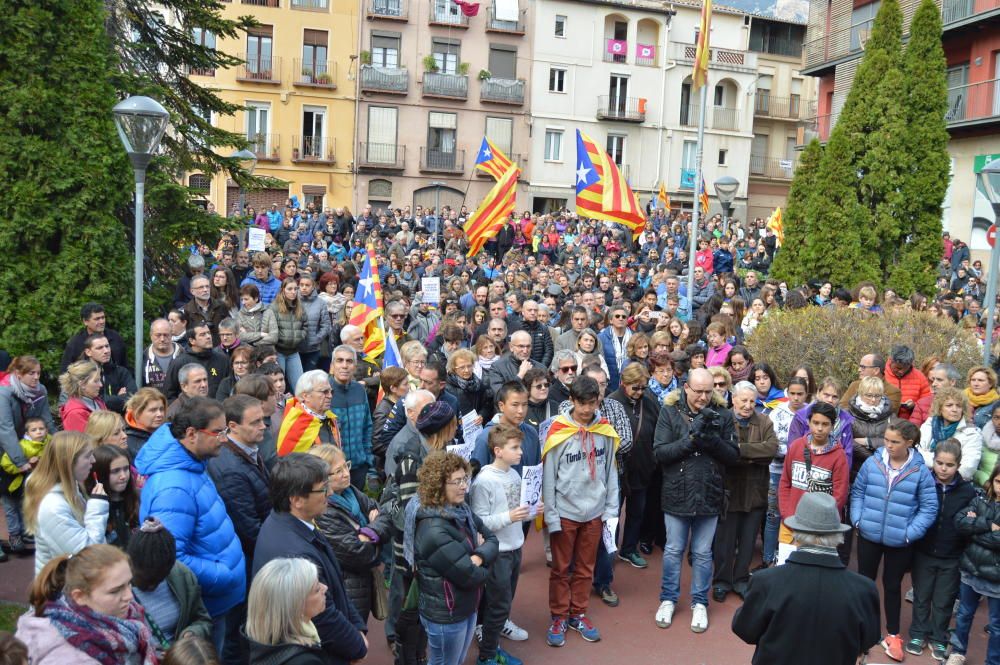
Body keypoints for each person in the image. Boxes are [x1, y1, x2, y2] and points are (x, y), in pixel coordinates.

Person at [136, 397, 246, 653]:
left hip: (217, 598)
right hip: (207, 603)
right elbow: (173, 557)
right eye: (218, 432)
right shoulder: (173, 488)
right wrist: (224, 574)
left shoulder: (192, 464)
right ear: (191, 434)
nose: (225, 439)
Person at [731, 492, 881, 665]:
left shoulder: (766, 582)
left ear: (796, 532)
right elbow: (868, 640)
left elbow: (745, 630)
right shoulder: (864, 589)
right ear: (838, 536)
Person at [252, 453, 368, 664]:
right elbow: (322, 616)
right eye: (323, 489)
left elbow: (335, 589)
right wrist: (357, 645)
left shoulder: (293, 524)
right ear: (296, 500)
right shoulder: (295, 555)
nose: (330, 493)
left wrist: (358, 627)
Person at [653, 367, 739, 633]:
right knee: (673, 550)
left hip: (709, 492)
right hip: (677, 492)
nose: (703, 397)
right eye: (698, 391)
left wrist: (711, 440)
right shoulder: (669, 412)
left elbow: (733, 456)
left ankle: (699, 602)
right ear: (686, 388)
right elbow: (660, 453)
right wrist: (692, 440)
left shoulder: (723, 415)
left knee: (702, 553)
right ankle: (668, 599)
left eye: (708, 391)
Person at [850, 418, 938, 662]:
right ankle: (863, 629)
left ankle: (893, 633)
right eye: (886, 440)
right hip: (869, 534)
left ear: (909, 443)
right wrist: (858, 519)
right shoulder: (873, 462)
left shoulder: (920, 471)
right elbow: (857, 491)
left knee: (892, 585)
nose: (888, 445)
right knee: (865, 582)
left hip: (900, 540)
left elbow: (929, 507)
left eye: (895, 442)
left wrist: (910, 533)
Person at [543, 375, 620, 646]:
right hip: (565, 512)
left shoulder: (605, 431)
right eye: (582, 403)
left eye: (592, 403)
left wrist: (611, 510)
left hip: (595, 512)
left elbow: (611, 471)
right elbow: (549, 477)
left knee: (586, 568)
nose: (587, 409)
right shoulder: (558, 431)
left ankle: (578, 613)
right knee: (561, 568)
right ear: (571, 401)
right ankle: (558, 616)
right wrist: (551, 516)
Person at [407, 451, 499, 665]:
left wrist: (477, 557)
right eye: (457, 481)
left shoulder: (461, 509)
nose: (464, 487)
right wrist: (482, 556)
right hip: (445, 614)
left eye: (465, 479)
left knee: (455, 661)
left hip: (465, 605)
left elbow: (493, 539)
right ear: (438, 485)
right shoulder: (433, 529)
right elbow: (471, 576)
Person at [16, 544, 159, 665]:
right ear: (79, 596)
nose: (129, 596)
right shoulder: (72, 658)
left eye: (129, 584)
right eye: (115, 591)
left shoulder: (122, 616)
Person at [470, 425, 538, 665]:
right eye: (515, 448)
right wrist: (511, 516)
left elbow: (519, 512)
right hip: (497, 553)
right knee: (498, 605)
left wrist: (532, 511)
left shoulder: (514, 474)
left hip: (515, 547)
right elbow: (480, 521)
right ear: (498, 451)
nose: (521, 452)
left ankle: (493, 636)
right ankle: (487, 654)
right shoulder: (484, 481)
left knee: (504, 601)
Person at [906, 439, 975, 661]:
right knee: (922, 595)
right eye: (939, 463)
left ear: (958, 465)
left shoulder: (968, 492)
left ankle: (938, 636)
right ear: (933, 461)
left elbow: (971, 523)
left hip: (953, 556)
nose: (943, 469)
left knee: (944, 600)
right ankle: (917, 633)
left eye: (949, 465)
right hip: (923, 552)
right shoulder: (923, 483)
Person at [310, 444, 391, 624]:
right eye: (338, 471)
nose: (346, 473)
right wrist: (376, 531)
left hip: (362, 583)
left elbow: (385, 515)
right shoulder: (324, 511)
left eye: (346, 465)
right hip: (347, 587)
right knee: (352, 636)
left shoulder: (350, 491)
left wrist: (368, 532)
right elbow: (359, 553)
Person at [712, 381, 777, 602]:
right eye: (744, 400)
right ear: (733, 399)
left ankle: (740, 580)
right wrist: (750, 455)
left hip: (755, 491)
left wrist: (739, 451)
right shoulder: (722, 420)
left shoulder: (765, 421)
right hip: (728, 491)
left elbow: (770, 450)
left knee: (748, 542)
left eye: (752, 400)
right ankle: (721, 581)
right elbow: (721, 452)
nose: (748, 405)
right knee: (725, 542)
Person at [23, 432, 108, 574]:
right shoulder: (52, 506)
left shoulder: (70, 487)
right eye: (87, 456)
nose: (93, 460)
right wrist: (97, 507)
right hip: (62, 590)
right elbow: (86, 554)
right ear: (68, 461)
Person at [128, 518, 214, 649]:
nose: (152, 586)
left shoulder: (182, 575)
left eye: (159, 580)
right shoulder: (114, 589)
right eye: (146, 579)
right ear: (131, 565)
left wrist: (190, 634)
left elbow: (202, 620)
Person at [607, 363, 660, 569]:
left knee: (637, 512)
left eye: (643, 388)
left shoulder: (650, 401)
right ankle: (609, 550)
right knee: (613, 514)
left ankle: (629, 549)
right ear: (623, 383)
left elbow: (659, 428)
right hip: (617, 469)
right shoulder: (612, 401)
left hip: (644, 467)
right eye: (634, 388)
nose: (639, 392)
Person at [949, 463, 1000, 665]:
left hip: (996, 575)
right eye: (998, 481)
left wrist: (975, 530)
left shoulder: (978, 506)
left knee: (996, 625)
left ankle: (993, 662)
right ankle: (957, 652)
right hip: (971, 569)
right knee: (964, 615)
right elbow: (960, 522)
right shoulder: (980, 499)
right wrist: (988, 525)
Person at [779, 401, 850, 546]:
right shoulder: (796, 446)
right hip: (790, 523)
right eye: (815, 423)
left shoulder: (839, 456)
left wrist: (820, 522)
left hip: (818, 529)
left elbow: (839, 495)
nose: (819, 428)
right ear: (808, 422)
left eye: (825, 424)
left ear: (832, 425)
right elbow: (785, 482)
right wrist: (787, 514)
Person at [245, 558, 331, 665]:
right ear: (296, 606)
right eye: (317, 589)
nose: (325, 588)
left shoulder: (261, 642)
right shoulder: (304, 661)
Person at [0, 415, 49, 556]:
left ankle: (24, 532)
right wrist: (23, 465)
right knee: (11, 510)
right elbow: (6, 463)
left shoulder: (48, 442)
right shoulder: (22, 446)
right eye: (34, 430)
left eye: (41, 429)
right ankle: (14, 536)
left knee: (23, 507)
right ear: (27, 434)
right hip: (11, 484)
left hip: (28, 485)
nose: (39, 432)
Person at [329, 346, 375, 489]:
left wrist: (368, 460)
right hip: (333, 471)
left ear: (354, 367)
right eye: (339, 361)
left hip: (359, 467)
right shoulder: (324, 391)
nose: (344, 365)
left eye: (349, 361)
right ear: (332, 366)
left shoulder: (360, 390)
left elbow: (367, 426)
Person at [918, 387, 983, 481]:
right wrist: (949, 463)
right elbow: (916, 454)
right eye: (949, 405)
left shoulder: (972, 433)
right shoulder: (930, 424)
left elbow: (967, 469)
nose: (954, 409)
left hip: (954, 484)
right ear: (940, 408)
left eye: (959, 406)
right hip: (923, 478)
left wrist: (934, 464)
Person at [84, 445, 139, 550]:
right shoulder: (92, 508)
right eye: (115, 471)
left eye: (126, 469)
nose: (123, 476)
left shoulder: (137, 498)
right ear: (99, 474)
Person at [277, 371, 341, 456]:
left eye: (331, 392)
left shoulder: (329, 417)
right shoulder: (296, 424)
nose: (330, 396)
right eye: (324, 392)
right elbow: (289, 464)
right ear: (306, 396)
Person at [162, 325, 231, 401]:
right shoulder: (179, 362)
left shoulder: (222, 359)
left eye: (208, 333)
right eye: (202, 334)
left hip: (218, 410)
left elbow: (230, 387)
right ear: (192, 341)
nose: (208, 337)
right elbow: (169, 395)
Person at [847, 375, 895, 475]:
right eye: (869, 395)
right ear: (860, 394)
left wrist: (868, 442)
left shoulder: (891, 416)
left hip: (882, 470)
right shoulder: (848, 414)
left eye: (877, 396)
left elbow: (896, 442)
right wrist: (872, 458)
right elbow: (847, 442)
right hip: (854, 468)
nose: (873, 400)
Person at [60, 303, 128, 372]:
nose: (102, 321)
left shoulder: (115, 338)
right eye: (97, 319)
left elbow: (125, 366)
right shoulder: (75, 344)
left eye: (103, 317)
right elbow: (65, 372)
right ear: (85, 321)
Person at [486, 331, 546, 397]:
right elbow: (500, 395)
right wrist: (520, 376)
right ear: (511, 347)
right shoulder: (497, 367)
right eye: (521, 346)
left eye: (528, 346)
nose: (525, 351)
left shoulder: (541, 368)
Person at [884, 345, 931, 421]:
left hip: (910, 425)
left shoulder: (920, 377)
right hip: (884, 423)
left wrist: (914, 405)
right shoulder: (881, 375)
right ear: (891, 360)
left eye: (906, 368)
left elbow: (927, 403)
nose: (901, 371)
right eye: (898, 368)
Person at [59, 360, 106, 432]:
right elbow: (84, 442)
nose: (101, 385)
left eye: (100, 380)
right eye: (96, 381)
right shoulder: (75, 413)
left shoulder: (97, 401)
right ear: (82, 384)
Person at [124, 388, 167, 459]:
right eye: (153, 410)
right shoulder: (129, 444)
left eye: (161, 409)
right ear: (137, 413)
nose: (159, 414)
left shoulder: (166, 434)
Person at [598, 304, 632, 391]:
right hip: (609, 386)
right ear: (610, 320)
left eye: (624, 317)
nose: (621, 318)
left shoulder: (635, 337)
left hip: (630, 384)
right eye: (617, 316)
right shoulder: (600, 338)